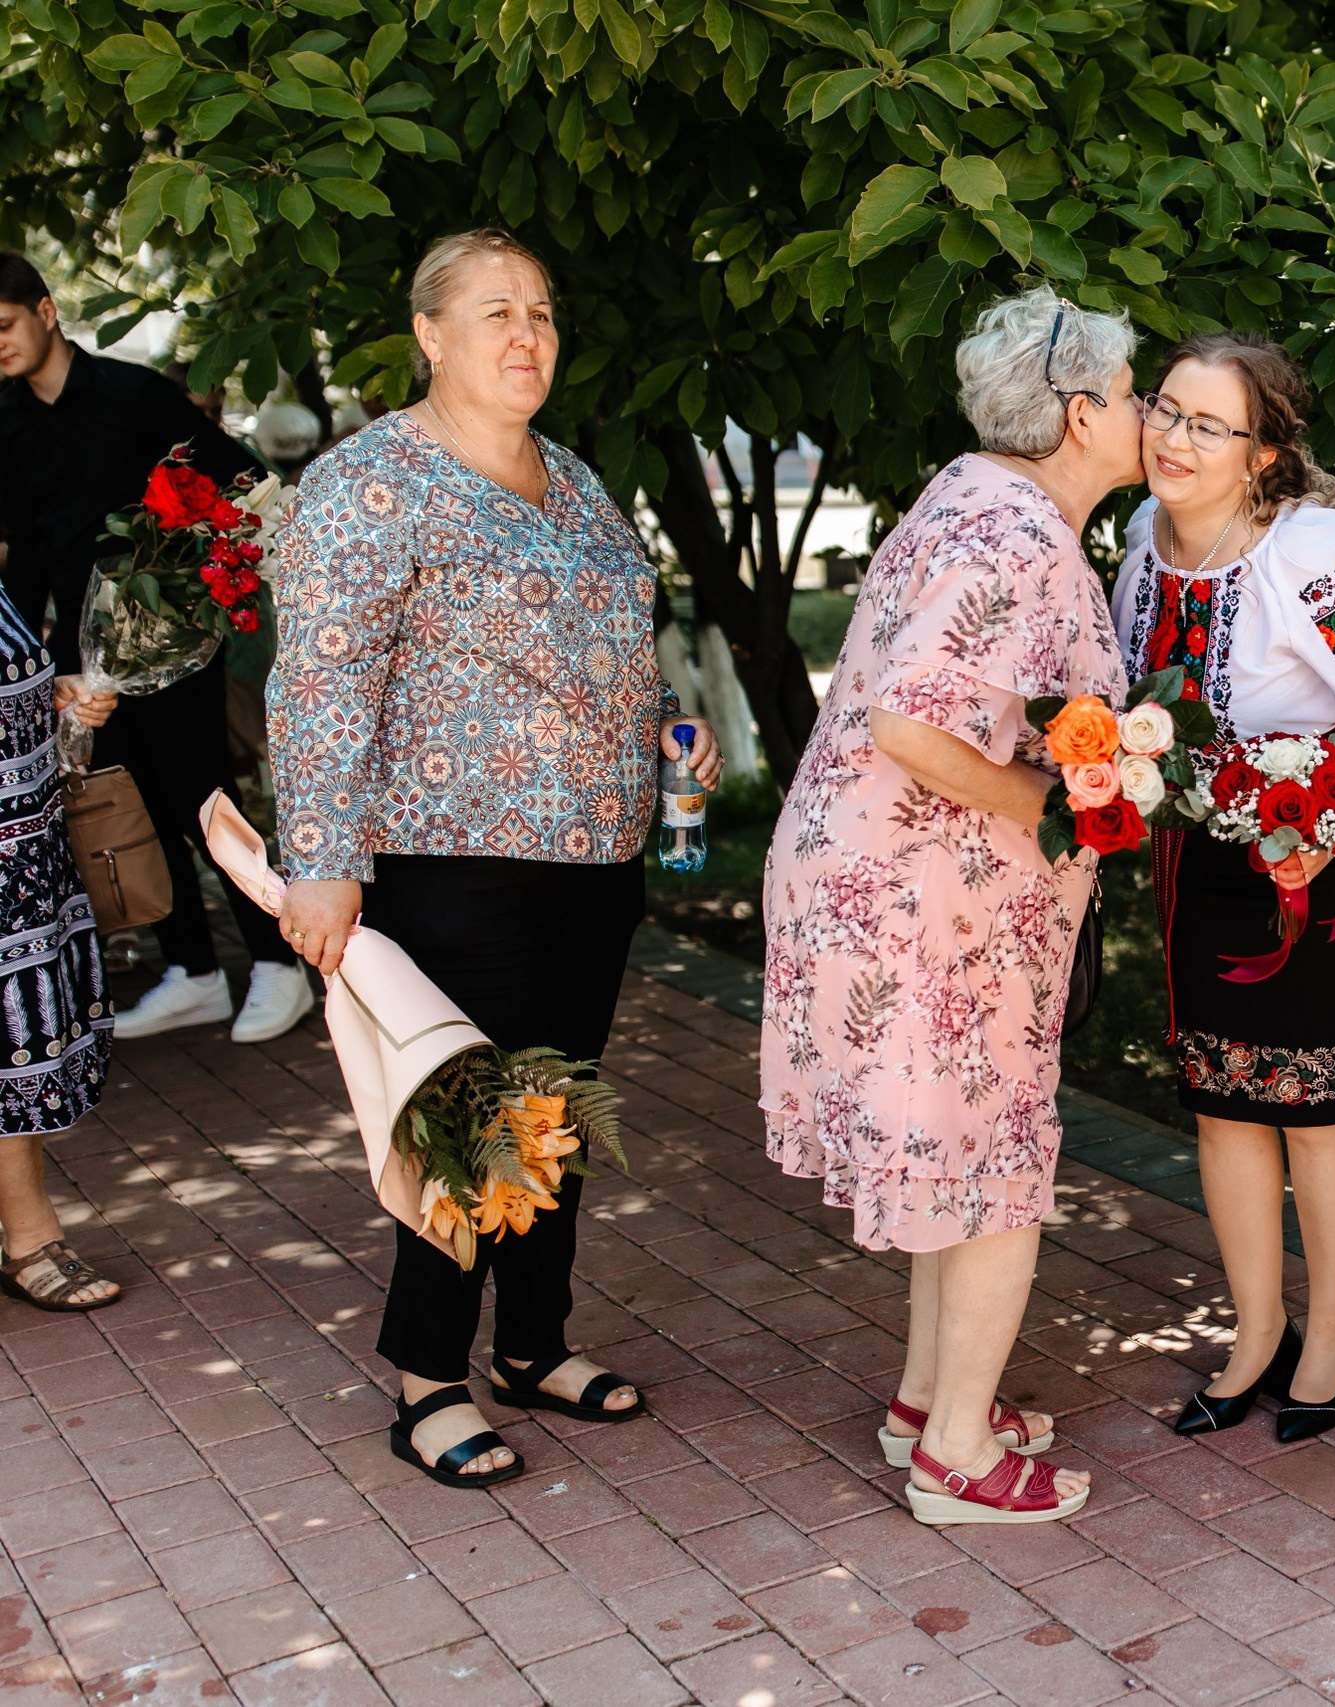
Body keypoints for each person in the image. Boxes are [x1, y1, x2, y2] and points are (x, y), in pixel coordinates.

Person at [270, 229, 723, 1488]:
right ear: (427, 333)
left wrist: (662, 737)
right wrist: (320, 857)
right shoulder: (370, 484)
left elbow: (611, 651)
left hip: (593, 853)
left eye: (539, 311)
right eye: (492, 313)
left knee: (555, 1115)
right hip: (447, 859)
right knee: (468, 1121)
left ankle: (532, 1344)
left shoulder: (570, 478)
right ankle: (426, 1379)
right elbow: (318, 685)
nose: (525, 334)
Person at [762, 287, 1140, 1526]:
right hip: (932, 907)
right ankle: (961, 1461)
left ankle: (931, 1400)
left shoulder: (973, 499)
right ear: (1080, 413)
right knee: (988, 1167)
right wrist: (1033, 804)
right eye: (1132, 394)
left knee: (952, 1156)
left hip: (887, 888)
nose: (1143, 414)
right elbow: (911, 719)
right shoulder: (1013, 533)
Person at [1111, 335, 1335, 1442]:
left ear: (1262, 455)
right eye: (1165, 409)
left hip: (1325, 867)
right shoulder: (1137, 545)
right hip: (1203, 863)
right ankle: (1256, 1332)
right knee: (1224, 1108)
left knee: (1316, 1113)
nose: (1173, 437)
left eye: (1210, 424)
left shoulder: (1307, 555)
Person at [0, 251, 312, 1046]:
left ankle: (282, 965)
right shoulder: (4, 419)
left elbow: (240, 481)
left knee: (203, 801)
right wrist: (43, 664)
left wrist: (196, 587)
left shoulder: (133, 396)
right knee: (129, 803)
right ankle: (195, 973)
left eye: (2, 326)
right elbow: (32, 550)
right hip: (86, 660)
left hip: (171, 643)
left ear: (45, 311)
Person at [0, 582, 119, 1311]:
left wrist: (58, 697)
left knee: (14, 1047)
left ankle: (27, 1233)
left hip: (20, 847)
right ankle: (29, 1237)